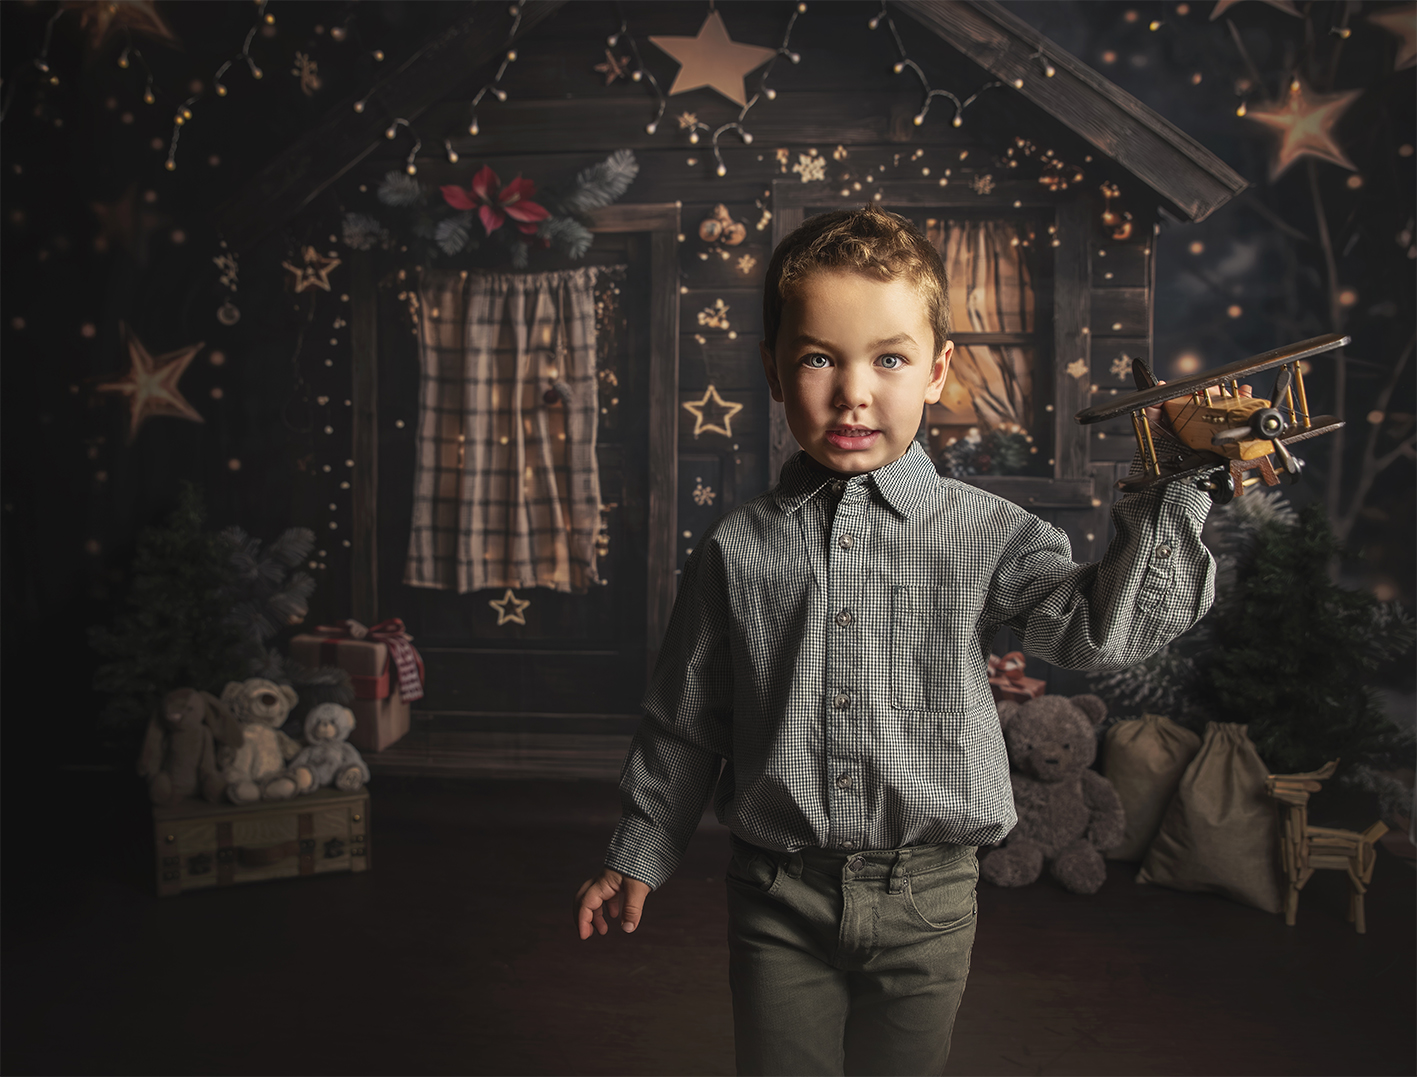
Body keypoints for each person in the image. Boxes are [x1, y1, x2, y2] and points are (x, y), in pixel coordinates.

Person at [574, 206, 1215, 1076]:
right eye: (816, 358)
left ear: (938, 372)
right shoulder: (737, 547)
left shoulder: (985, 531)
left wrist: (1170, 493)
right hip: (776, 894)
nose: (853, 392)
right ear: (771, 369)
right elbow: (688, 720)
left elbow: (1096, 631)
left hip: (931, 895)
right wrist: (638, 850)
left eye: (888, 358)